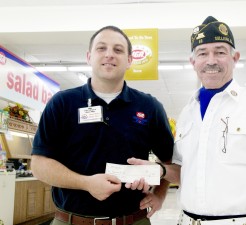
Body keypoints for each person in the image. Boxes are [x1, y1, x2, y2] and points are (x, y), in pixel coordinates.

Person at [128, 16, 246, 225]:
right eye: (202, 53)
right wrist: (160, 170)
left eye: (220, 52)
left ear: (234, 57)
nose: (211, 60)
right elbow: (184, 172)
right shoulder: (187, 113)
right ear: (193, 62)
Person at [31, 25, 174, 225]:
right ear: (89, 56)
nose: (109, 55)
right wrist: (86, 183)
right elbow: (38, 165)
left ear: (130, 60)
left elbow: (170, 162)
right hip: (71, 220)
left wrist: (160, 194)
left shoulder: (149, 107)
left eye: (118, 50)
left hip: (133, 220)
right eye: (101, 48)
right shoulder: (62, 103)